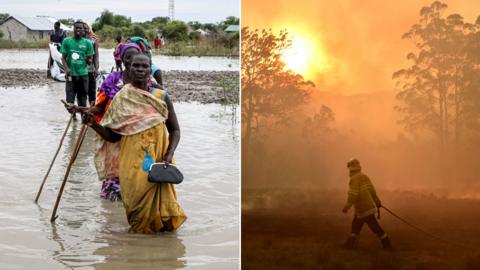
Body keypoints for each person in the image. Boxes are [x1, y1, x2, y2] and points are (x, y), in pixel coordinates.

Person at [82, 53, 186, 233]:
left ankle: (163, 247)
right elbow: (114, 137)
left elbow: (175, 130)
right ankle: (139, 247)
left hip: (159, 160)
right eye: (136, 66)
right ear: (128, 69)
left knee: (166, 209)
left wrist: (169, 153)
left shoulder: (161, 96)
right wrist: (94, 124)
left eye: (144, 66)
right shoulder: (122, 98)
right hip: (130, 164)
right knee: (136, 208)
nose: (140, 69)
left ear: (150, 69)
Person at [342, 158, 391, 250]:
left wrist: (346, 207)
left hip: (363, 209)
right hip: (365, 208)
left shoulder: (354, 179)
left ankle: (387, 244)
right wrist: (377, 202)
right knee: (355, 226)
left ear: (351, 168)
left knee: (375, 228)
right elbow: (372, 191)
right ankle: (349, 245)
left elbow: (353, 195)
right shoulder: (365, 176)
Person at [60, 20, 94, 111]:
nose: (78, 30)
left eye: (81, 28)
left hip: (83, 75)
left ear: (84, 31)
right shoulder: (67, 41)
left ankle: (82, 118)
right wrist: (66, 69)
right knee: (70, 100)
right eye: (77, 28)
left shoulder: (88, 43)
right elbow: (63, 58)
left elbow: (90, 62)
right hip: (71, 75)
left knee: (82, 99)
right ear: (73, 29)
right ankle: (73, 117)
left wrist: (88, 59)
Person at [83, 22, 99, 106]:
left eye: (86, 28)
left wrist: (97, 68)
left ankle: (91, 110)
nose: (85, 30)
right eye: (83, 28)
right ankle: (81, 110)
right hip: (80, 69)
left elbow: (96, 55)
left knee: (92, 91)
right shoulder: (77, 40)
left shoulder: (93, 39)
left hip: (90, 68)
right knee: (81, 91)